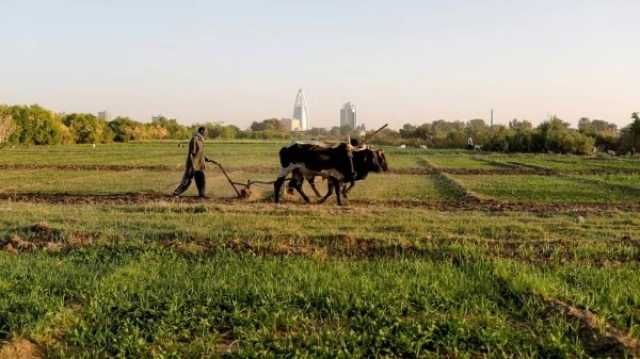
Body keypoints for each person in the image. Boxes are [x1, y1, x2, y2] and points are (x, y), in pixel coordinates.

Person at [173, 127, 210, 198]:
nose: (206, 133)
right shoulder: (195, 139)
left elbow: (200, 152)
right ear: (201, 131)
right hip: (192, 164)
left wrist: (205, 158)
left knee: (201, 179)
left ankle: (202, 194)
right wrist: (192, 165)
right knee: (187, 180)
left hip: (199, 164)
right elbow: (192, 153)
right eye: (205, 131)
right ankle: (176, 193)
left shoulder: (201, 140)